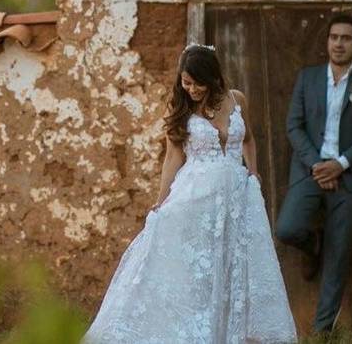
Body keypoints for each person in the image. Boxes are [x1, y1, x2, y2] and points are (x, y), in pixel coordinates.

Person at [84, 43, 297, 343]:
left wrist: (253, 172)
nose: (192, 89)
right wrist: (161, 202)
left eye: (197, 82)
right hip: (196, 199)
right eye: (185, 82)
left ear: (213, 78)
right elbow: (173, 158)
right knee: (198, 271)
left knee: (235, 267)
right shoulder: (181, 109)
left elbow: (248, 139)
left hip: (237, 200)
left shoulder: (237, 100)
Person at [275, 13, 352, 334]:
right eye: (334, 37)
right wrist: (318, 165)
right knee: (287, 227)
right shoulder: (307, 78)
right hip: (311, 171)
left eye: (346, 38)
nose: (339, 43)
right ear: (327, 42)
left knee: (339, 254)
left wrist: (341, 163)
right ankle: (312, 244)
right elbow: (293, 126)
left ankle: (322, 332)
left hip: (350, 178)